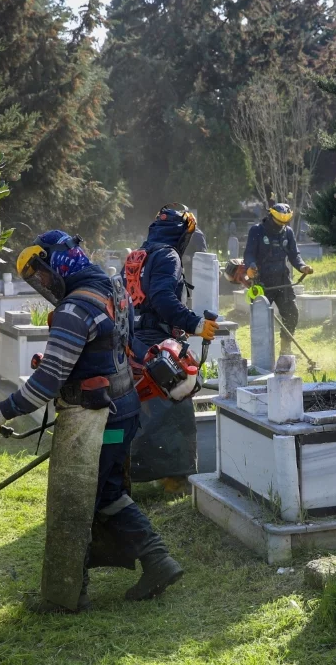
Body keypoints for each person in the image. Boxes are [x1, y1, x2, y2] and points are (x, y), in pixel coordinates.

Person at [0, 231, 182, 612]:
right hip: (124, 410)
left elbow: (44, 385)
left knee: (77, 503)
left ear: (60, 263)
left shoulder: (74, 308)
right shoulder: (112, 289)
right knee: (106, 494)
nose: (44, 284)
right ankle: (155, 562)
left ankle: (70, 592)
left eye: (43, 275)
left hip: (97, 419)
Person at [128, 206, 217, 485]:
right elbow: (163, 298)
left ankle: (133, 474)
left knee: (141, 408)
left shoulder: (138, 256)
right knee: (176, 402)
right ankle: (173, 481)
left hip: (134, 340)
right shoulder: (168, 255)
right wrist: (195, 324)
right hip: (158, 343)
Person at [244, 203, 313, 354]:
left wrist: (302, 267)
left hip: (282, 280)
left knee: (292, 313)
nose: (281, 225)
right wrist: (251, 266)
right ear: (271, 216)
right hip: (262, 282)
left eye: (284, 222)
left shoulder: (287, 232)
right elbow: (249, 254)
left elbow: (294, 255)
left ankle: (285, 348)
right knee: (262, 320)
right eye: (279, 222)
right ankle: (262, 354)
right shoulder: (257, 231)